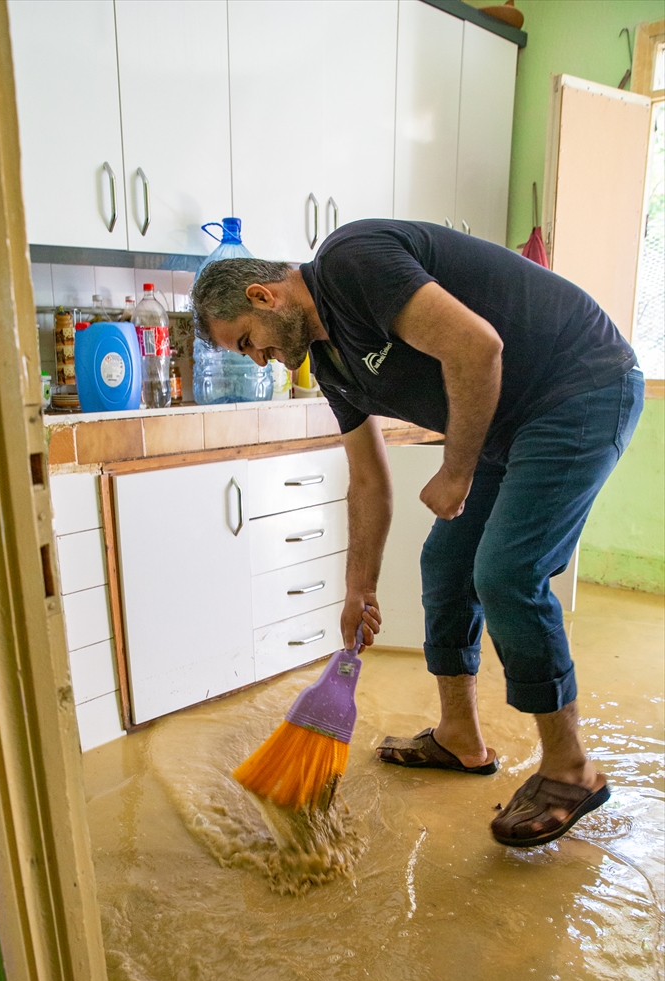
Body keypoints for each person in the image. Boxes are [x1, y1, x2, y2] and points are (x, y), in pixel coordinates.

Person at [192, 220, 644, 848]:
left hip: (581, 385)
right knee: (448, 562)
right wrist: (359, 588)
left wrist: (456, 472)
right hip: (507, 420)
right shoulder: (328, 360)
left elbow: (477, 347)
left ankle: (571, 769)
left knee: (508, 572)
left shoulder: (350, 263)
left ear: (264, 297)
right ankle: (460, 738)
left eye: (248, 342)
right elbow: (369, 479)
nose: (260, 360)